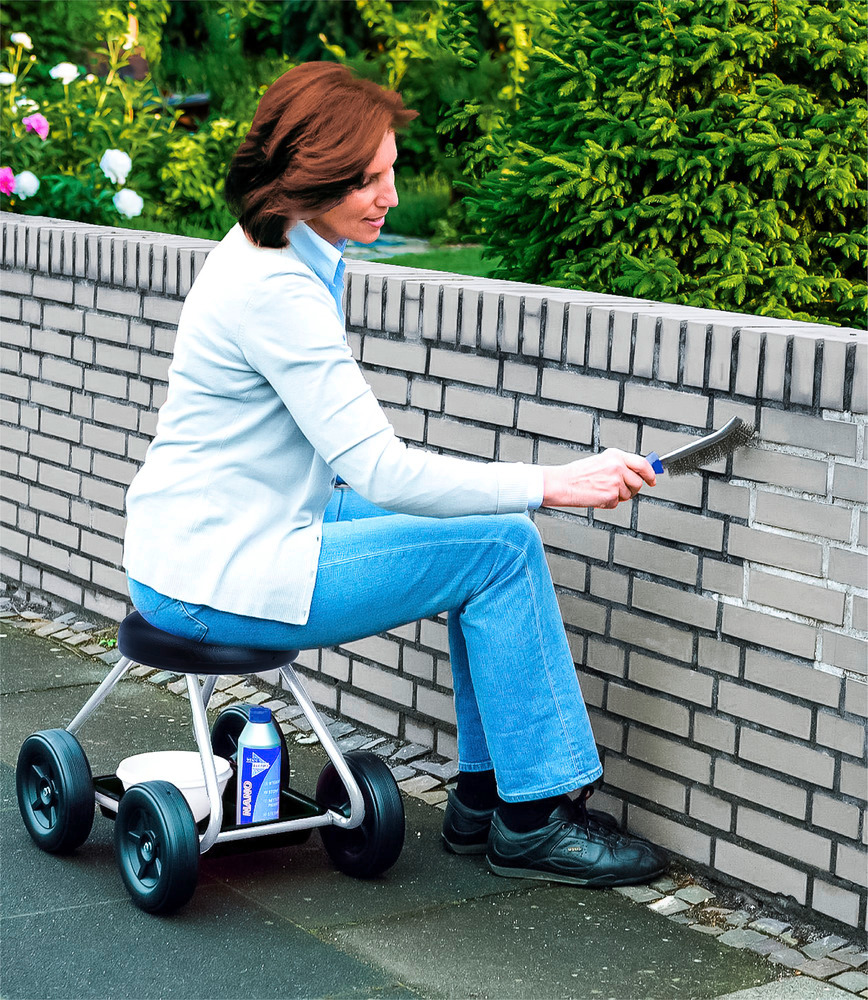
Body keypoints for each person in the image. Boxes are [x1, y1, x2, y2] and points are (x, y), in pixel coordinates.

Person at [123, 62, 668, 887]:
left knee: (490, 543)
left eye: (390, 171)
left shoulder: (275, 250)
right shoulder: (276, 288)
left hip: (231, 537)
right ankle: (531, 818)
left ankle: (489, 799)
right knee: (502, 548)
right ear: (312, 178)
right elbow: (378, 468)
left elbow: (366, 473)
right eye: (368, 180)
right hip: (224, 574)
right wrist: (553, 480)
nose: (390, 196)